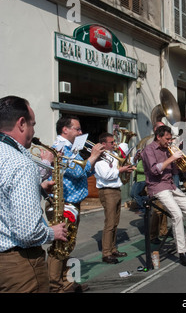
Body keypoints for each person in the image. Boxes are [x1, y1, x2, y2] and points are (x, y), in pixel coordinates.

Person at [0, 95, 67, 293]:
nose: (34, 130)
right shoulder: (21, 164)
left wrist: (36, 187)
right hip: (19, 265)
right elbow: (28, 232)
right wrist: (52, 233)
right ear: (21, 123)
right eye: (33, 124)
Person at [47, 115, 104, 293]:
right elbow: (79, 172)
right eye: (77, 129)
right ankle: (55, 286)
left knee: (68, 245)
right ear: (65, 129)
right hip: (64, 203)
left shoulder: (71, 149)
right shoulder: (60, 148)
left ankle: (66, 282)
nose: (81, 133)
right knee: (60, 246)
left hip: (72, 202)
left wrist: (91, 163)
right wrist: (93, 157)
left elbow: (83, 175)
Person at [141, 125, 186, 266]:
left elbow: (176, 171)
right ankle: (181, 252)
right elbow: (154, 170)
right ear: (158, 137)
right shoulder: (149, 150)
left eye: (170, 138)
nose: (169, 141)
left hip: (171, 185)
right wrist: (172, 158)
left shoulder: (168, 149)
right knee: (177, 215)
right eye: (167, 139)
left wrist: (182, 161)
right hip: (158, 187)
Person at [94, 132, 135, 264]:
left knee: (115, 222)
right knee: (110, 223)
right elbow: (106, 175)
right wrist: (120, 170)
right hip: (107, 191)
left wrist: (133, 161)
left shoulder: (114, 155)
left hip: (116, 190)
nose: (114, 144)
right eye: (111, 143)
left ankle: (112, 248)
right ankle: (106, 253)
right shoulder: (99, 158)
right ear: (104, 144)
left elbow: (123, 163)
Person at [130, 149, 146, 215]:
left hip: (142, 179)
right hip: (137, 179)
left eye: (139, 154)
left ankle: (142, 209)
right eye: (138, 154)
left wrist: (136, 169)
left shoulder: (145, 161)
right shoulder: (139, 161)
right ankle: (146, 201)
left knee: (136, 195)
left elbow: (146, 170)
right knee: (132, 194)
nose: (138, 155)